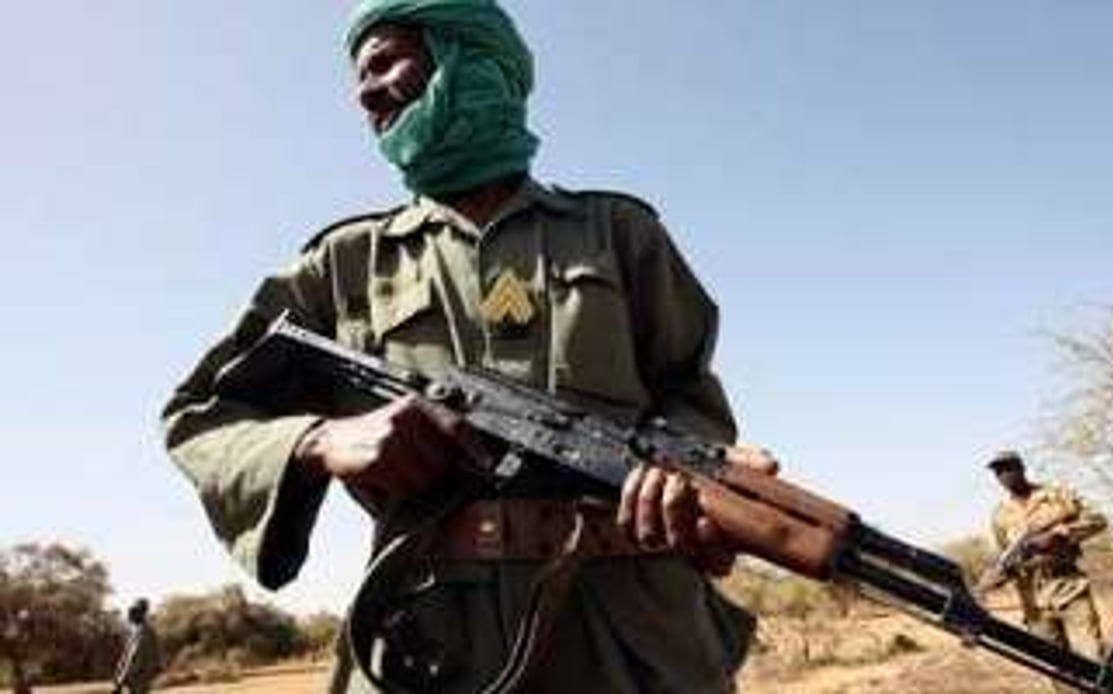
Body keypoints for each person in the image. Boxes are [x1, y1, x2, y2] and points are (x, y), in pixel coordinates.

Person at [161, 1, 776, 691]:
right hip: (427, 635)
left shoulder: (617, 232)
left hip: (626, 628)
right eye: (358, 78)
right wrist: (319, 441)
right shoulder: (342, 263)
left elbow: (690, 393)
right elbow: (199, 418)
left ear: (468, 58)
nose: (365, 92)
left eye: (386, 61)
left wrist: (681, 470)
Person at [985, 450, 1107, 674]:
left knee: (1094, 662)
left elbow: (1098, 520)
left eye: (1009, 469)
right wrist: (1000, 576)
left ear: (1022, 468)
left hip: (1068, 588)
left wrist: (1061, 534)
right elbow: (1006, 555)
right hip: (1034, 603)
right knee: (1057, 671)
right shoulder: (1000, 515)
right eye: (999, 473)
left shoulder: (1055, 495)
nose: (1005, 476)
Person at [112, 598, 160, 694]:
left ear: (142, 613)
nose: (130, 615)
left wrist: (121, 681)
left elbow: (136, 658)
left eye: (134, 612)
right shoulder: (134, 631)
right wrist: (119, 678)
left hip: (138, 680)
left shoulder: (145, 633)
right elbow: (126, 657)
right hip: (134, 679)